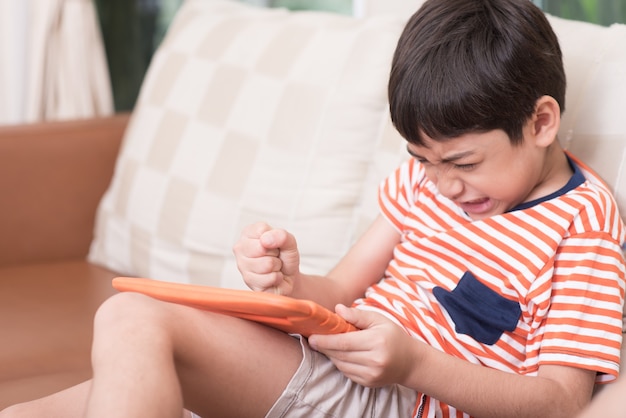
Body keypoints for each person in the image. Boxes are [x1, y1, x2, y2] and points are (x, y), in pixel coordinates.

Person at [2, 0, 624, 417]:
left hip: (404, 396)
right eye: (422, 159)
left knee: (132, 319)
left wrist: (415, 363)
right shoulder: (424, 179)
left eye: (462, 164)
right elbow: (341, 288)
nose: (441, 185)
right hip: (337, 361)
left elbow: (561, 400)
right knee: (72, 400)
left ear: (541, 121)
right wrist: (290, 281)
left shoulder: (584, 223)